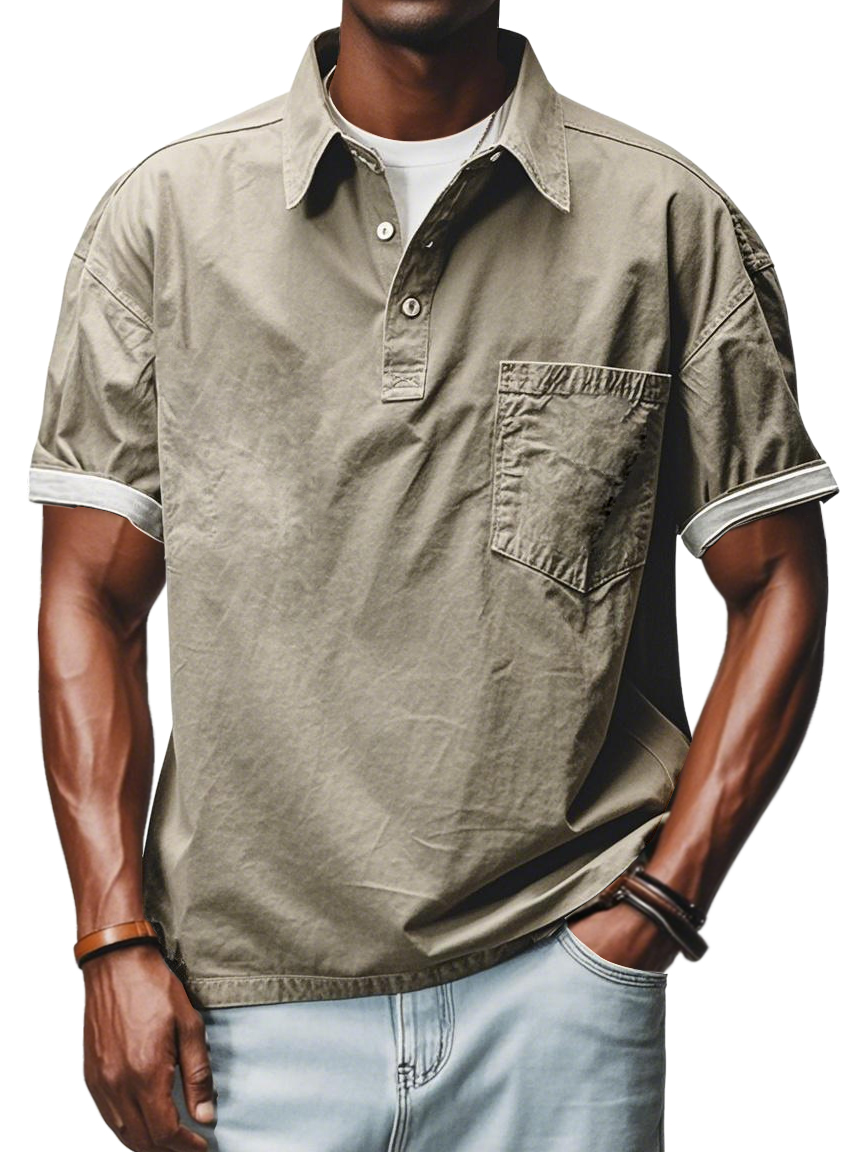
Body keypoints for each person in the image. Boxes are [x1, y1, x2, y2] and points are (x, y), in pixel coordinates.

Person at [29, 3, 839, 1150]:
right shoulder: (165, 220)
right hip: (241, 1012)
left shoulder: (664, 219)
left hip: (555, 993)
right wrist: (111, 941)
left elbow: (776, 580)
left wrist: (663, 904)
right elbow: (90, 596)